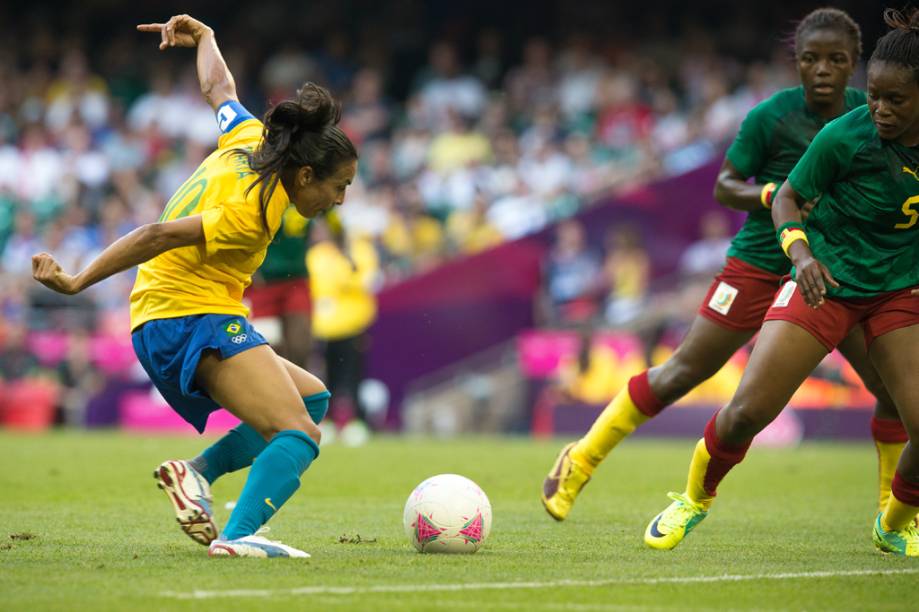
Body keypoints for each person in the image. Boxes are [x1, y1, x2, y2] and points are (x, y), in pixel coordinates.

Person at [542, 8, 907, 524]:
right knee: (684, 371)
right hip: (761, 259)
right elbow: (723, 184)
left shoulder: (870, 117)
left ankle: (890, 517)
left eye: (836, 60)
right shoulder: (770, 117)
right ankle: (580, 458)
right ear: (796, 63)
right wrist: (768, 192)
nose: (822, 69)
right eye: (810, 59)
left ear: (855, 65)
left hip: (829, 270)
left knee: (890, 391)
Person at [31, 14, 358, 558]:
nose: (339, 201)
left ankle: (197, 474)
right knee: (300, 433)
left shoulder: (253, 138)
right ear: (306, 176)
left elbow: (218, 89)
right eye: (339, 186)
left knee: (314, 398)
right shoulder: (252, 213)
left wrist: (206, 38)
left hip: (176, 314)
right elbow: (157, 234)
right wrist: (77, 281)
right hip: (186, 319)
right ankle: (238, 537)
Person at [642, 8, 919, 556]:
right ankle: (694, 499)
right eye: (874, 95)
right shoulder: (846, 135)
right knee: (747, 411)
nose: (880, 110)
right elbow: (786, 197)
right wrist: (800, 256)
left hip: (897, 293)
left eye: (896, 100)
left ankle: (894, 522)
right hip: (826, 282)